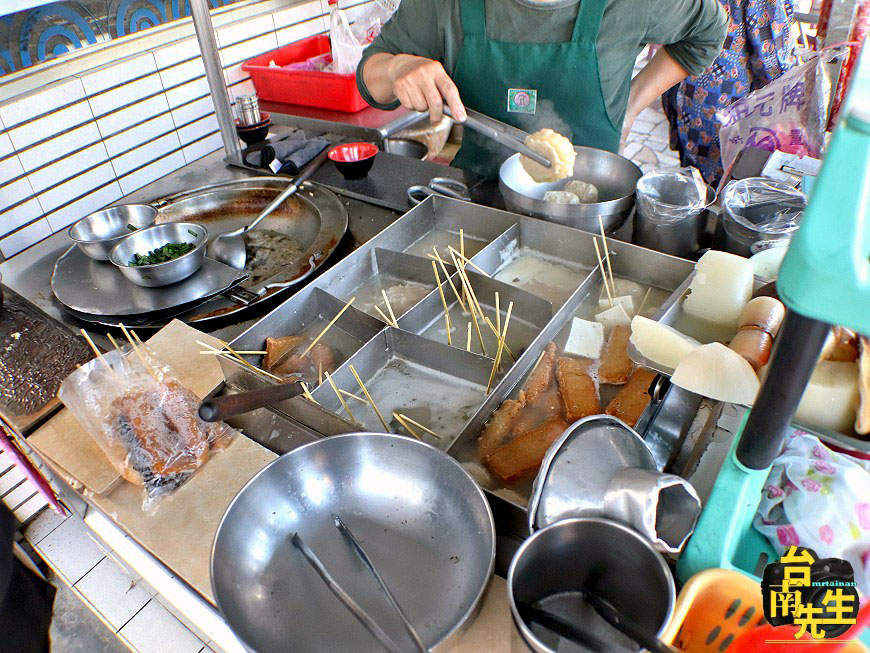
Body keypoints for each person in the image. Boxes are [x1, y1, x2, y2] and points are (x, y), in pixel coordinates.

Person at [357, 0, 729, 178]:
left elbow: (708, 33)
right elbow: (371, 78)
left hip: (593, 212)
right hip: (477, 201)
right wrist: (396, 68)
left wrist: (631, 105)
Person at [663, 0, 796, 185]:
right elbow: (773, 62)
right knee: (713, 186)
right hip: (719, 106)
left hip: (679, 84)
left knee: (692, 181)